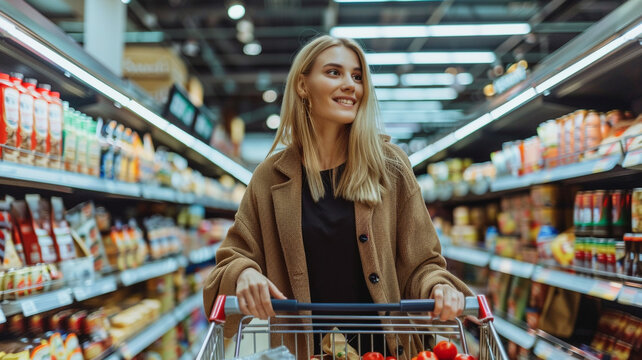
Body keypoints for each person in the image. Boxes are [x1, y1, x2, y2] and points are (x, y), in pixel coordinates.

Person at [203, 35, 472, 360]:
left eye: (357, 76)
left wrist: (438, 287)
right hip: (306, 353)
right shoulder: (270, 176)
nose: (350, 85)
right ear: (303, 85)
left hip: (385, 352)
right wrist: (244, 273)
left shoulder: (390, 166)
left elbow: (422, 263)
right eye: (334, 73)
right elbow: (229, 261)